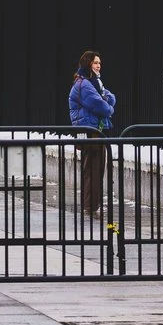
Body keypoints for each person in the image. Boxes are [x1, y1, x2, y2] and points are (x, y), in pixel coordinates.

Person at [68, 49, 116, 219]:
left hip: (94, 130)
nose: (98, 66)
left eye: (100, 63)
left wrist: (107, 101)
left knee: (93, 168)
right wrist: (109, 108)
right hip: (91, 132)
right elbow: (101, 104)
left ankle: (92, 204)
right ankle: (90, 205)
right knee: (93, 169)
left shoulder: (93, 83)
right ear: (88, 64)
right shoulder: (85, 85)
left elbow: (110, 96)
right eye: (95, 63)